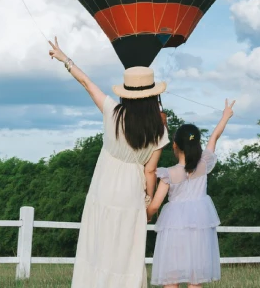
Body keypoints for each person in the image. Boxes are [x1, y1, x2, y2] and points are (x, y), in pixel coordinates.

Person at [50, 37, 170, 288]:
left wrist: (65, 59)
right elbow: (150, 171)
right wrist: (148, 201)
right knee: (126, 251)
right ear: (152, 96)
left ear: (127, 93)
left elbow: (87, 83)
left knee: (98, 245)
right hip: (131, 194)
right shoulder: (159, 130)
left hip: (104, 187)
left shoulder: (112, 112)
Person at [147, 100, 236, 288]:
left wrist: (146, 216)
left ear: (175, 145)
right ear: (196, 144)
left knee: (171, 277)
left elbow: (155, 205)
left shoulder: (168, 174)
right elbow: (214, 137)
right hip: (199, 226)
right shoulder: (204, 164)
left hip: (174, 227)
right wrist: (225, 115)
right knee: (196, 277)